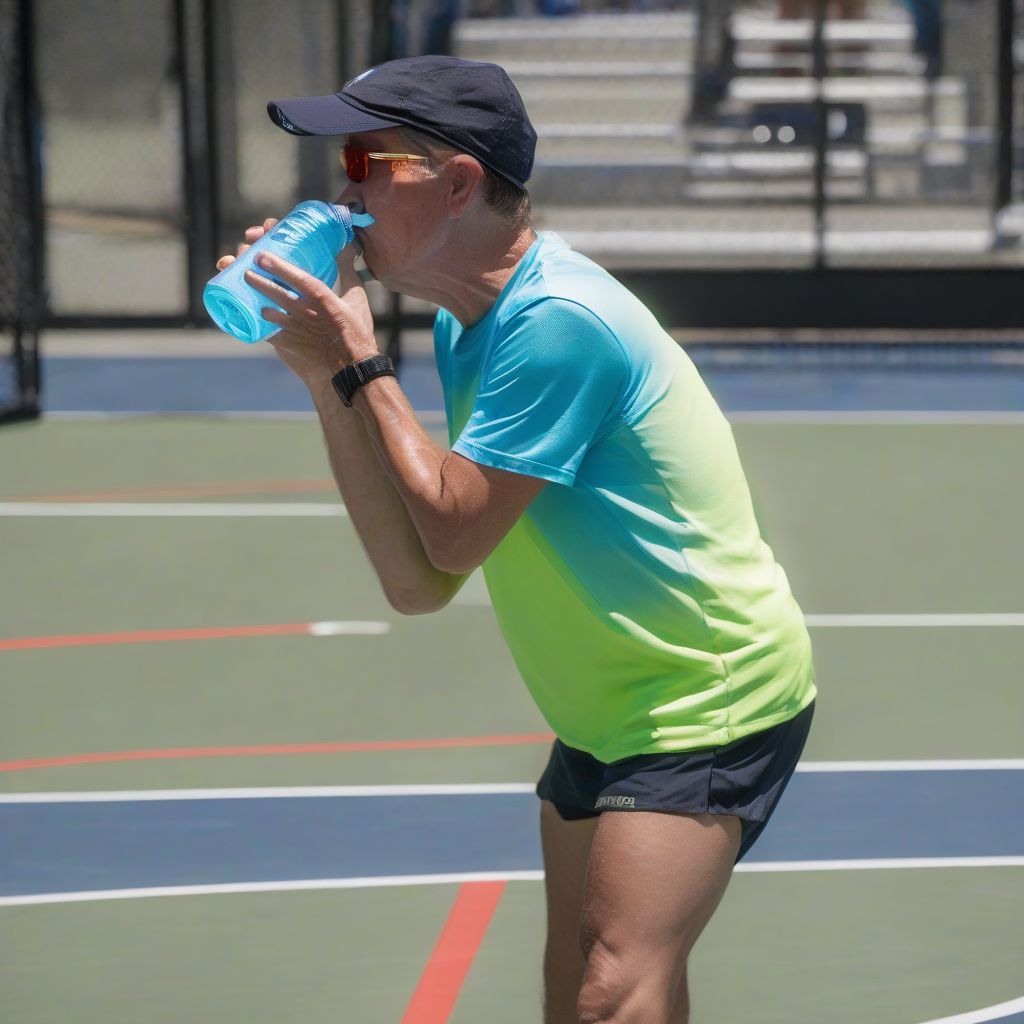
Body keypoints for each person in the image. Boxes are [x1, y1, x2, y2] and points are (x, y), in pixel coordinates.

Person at [219, 55, 816, 1024]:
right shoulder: (472, 323)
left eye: (368, 160)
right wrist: (318, 371)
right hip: (604, 705)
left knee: (609, 990)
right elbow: (419, 581)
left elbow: (451, 532)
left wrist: (360, 357)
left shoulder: (556, 321)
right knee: (585, 986)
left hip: (705, 695)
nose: (344, 190)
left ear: (456, 183)